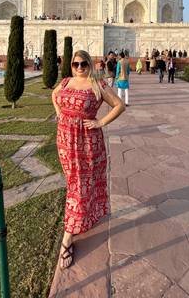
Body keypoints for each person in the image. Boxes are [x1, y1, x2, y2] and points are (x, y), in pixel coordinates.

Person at [51, 50, 124, 270]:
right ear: (71, 66)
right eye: (76, 64)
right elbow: (54, 96)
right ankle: (83, 217)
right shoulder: (65, 82)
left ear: (90, 65)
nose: (80, 68)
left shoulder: (97, 84)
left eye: (84, 64)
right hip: (65, 142)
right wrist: (60, 113)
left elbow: (119, 105)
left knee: (79, 187)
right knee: (74, 184)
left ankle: (67, 238)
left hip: (87, 143)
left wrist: (100, 123)